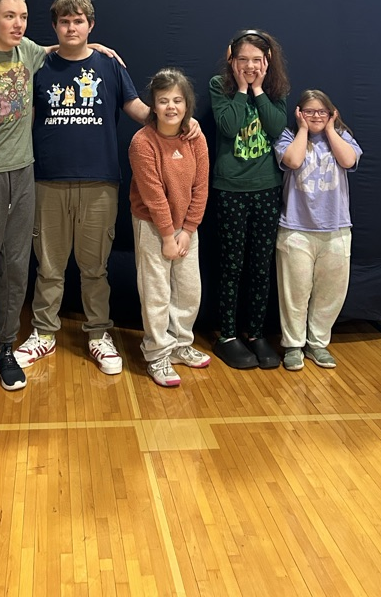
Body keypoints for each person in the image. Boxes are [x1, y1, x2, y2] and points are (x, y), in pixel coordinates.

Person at [0, 0, 120, 392]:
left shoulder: (30, 51)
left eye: (22, 15)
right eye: (8, 16)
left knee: (18, 265)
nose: (17, 23)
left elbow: (65, 45)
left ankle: (6, 345)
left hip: (23, 173)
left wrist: (96, 46)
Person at [14, 0, 149, 375]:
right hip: (48, 181)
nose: (71, 28)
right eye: (63, 23)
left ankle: (98, 335)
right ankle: (43, 332)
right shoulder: (40, 64)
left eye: (77, 22)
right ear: (55, 27)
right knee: (49, 267)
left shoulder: (108, 65)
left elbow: (135, 107)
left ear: (91, 25)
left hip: (100, 182)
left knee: (95, 268)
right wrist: (54, 48)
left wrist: (168, 119)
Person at [209, 29, 289, 370]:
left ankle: (255, 333)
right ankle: (227, 334)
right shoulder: (219, 85)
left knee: (260, 265)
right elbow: (228, 126)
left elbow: (276, 127)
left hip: (266, 187)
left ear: (267, 61)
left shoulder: (274, 90)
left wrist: (258, 90)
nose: (251, 65)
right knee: (231, 265)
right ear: (232, 59)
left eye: (257, 60)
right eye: (244, 59)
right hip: (231, 189)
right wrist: (242, 88)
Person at [129, 68, 210, 387]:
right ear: (154, 105)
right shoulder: (142, 142)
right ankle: (157, 353)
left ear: (187, 104)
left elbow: (200, 187)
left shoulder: (195, 136)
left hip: (186, 227)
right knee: (156, 292)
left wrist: (188, 230)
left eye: (177, 100)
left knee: (189, 288)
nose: (171, 107)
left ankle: (180, 344)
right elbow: (153, 196)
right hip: (153, 225)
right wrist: (167, 236)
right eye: (164, 101)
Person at [274, 90, 361, 370]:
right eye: (309, 111)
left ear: (331, 113)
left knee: (330, 293)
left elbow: (348, 161)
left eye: (321, 111)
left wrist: (332, 129)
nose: (315, 116)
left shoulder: (342, 138)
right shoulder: (289, 137)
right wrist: (302, 129)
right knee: (295, 293)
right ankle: (293, 345)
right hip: (296, 229)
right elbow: (294, 161)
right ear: (299, 113)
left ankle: (318, 344)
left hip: (336, 230)